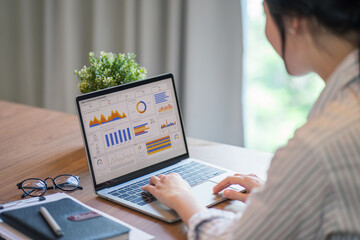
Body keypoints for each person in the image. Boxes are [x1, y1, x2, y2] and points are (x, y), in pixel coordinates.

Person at [142, 0, 360, 239]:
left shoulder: (316, 147)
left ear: (295, 22)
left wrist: (183, 198)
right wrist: (285, 195)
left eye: (265, 14)